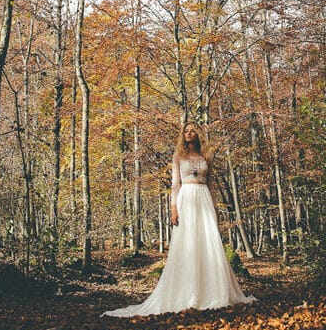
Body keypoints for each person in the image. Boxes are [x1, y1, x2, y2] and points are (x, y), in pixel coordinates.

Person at [104, 122, 255, 316]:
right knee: (188, 242)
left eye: (193, 130)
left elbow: (211, 185)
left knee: (208, 243)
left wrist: (215, 209)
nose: (189, 133)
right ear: (182, 135)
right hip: (186, 197)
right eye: (186, 131)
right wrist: (174, 209)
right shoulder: (178, 157)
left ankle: (214, 292)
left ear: (198, 134)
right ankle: (187, 293)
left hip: (204, 199)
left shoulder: (205, 157)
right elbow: (175, 185)